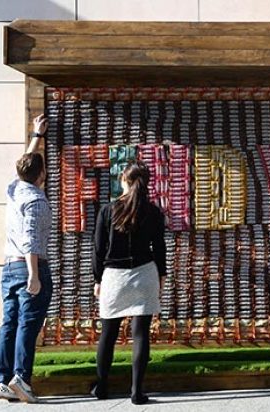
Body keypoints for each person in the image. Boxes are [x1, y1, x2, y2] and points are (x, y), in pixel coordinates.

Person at [91, 161, 167, 404]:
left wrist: (97, 278)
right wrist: (161, 276)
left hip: (114, 275)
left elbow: (98, 249)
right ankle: (136, 391)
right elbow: (159, 248)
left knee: (108, 333)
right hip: (144, 273)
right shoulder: (153, 211)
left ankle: (102, 386)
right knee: (141, 333)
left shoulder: (108, 210)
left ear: (124, 180)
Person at [0, 114, 53, 403]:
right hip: (30, 265)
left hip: (8, 266)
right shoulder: (36, 200)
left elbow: (26, 165)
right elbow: (31, 239)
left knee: (9, 323)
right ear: (42, 176)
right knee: (28, 324)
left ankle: (4, 380)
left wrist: (36, 135)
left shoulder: (14, 189)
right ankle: (22, 378)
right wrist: (34, 275)